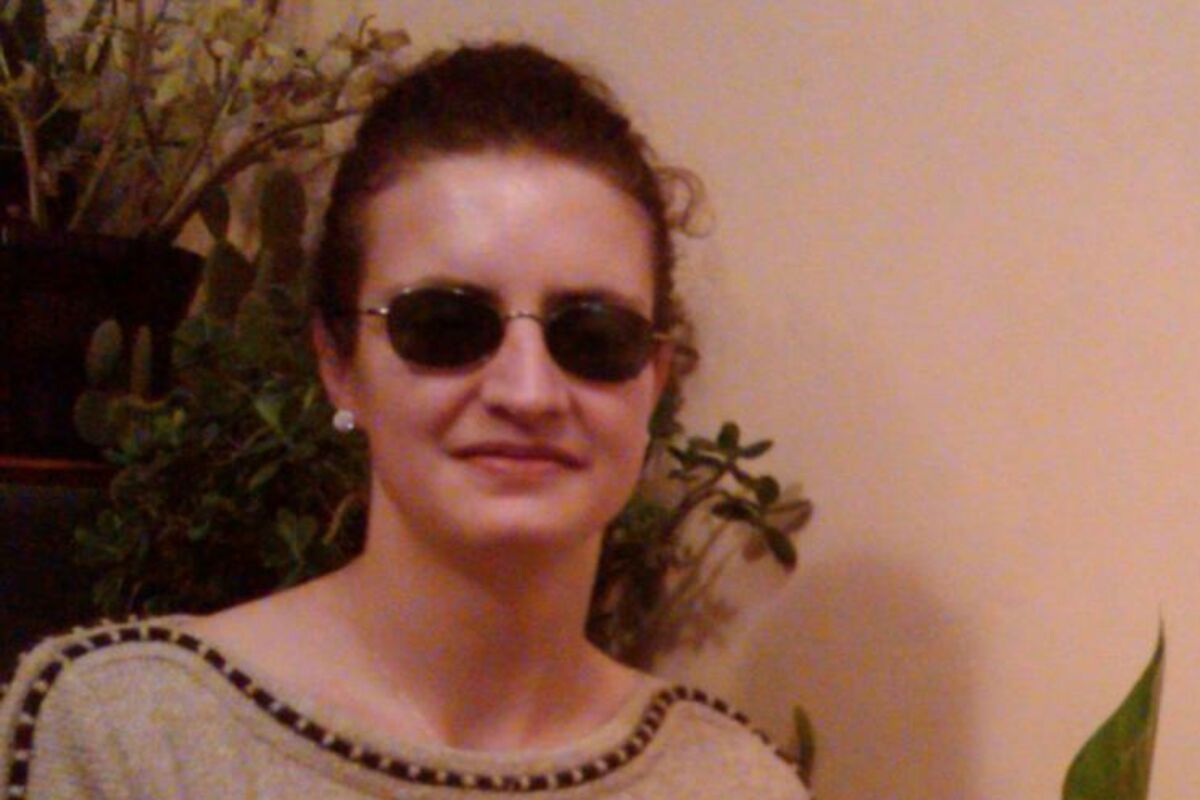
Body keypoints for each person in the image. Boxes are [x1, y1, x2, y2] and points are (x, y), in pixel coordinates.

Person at [0, 43, 809, 798]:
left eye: (594, 336)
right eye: (445, 325)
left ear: (654, 379)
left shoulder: (737, 782)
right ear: (338, 363)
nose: (528, 391)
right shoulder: (128, 732)